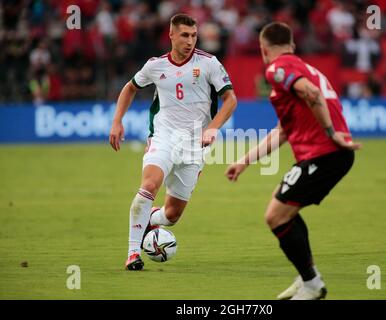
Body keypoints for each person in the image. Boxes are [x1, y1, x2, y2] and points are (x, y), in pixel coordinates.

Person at [225, 22, 361, 300]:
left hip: (325, 153)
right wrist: (244, 161)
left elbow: (311, 93)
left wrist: (330, 133)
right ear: (292, 46)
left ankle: (312, 284)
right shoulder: (305, 67)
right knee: (285, 211)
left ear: (263, 50)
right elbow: (283, 131)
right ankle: (307, 277)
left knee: (275, 215)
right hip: (327, 154)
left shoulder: (277, 69)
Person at [109, 13, 237, 271]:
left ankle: (148, 219)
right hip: (163, 137)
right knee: (149, 184)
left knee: (171, 215)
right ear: (171, 35)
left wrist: (212, 128)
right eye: (184, 35)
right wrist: (117, 121)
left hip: (195, 145)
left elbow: (231, 99)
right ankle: (133, 253)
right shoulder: (156, 66)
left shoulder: (209, 63)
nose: (190, 41)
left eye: (193, 35)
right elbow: (130, 87)